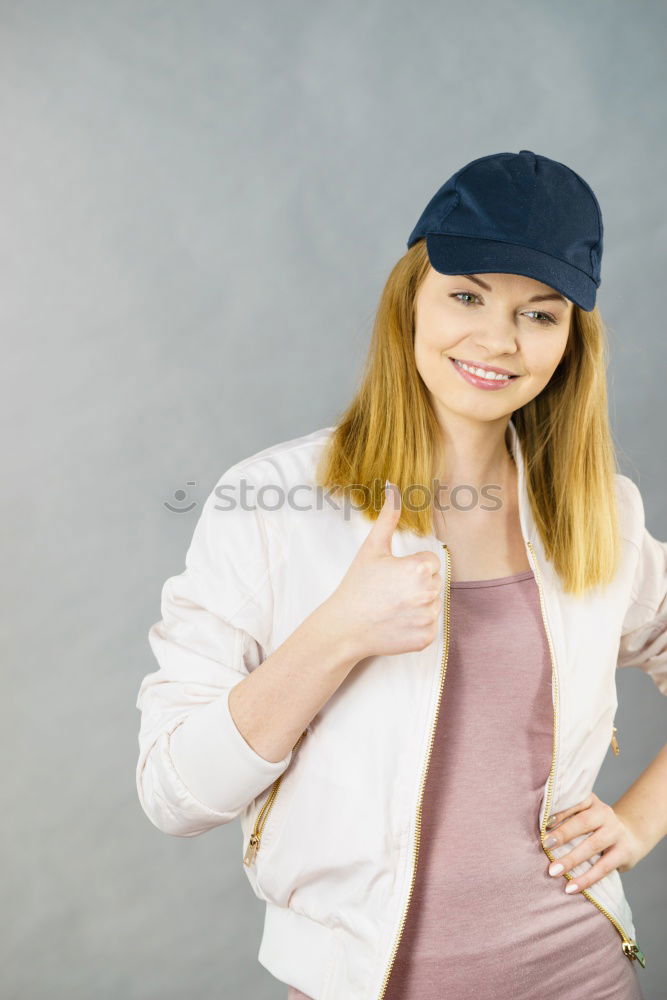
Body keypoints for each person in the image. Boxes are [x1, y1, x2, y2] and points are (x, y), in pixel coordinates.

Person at [135, 150, 667, 1000]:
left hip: (578, 977)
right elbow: (175, 794)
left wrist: (640, 819)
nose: (497, 341)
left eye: (540, 314)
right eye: (466, 296)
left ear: (570, 343)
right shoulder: (271, 504)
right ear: (408, 301)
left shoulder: (597, 511)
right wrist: (336, 633)